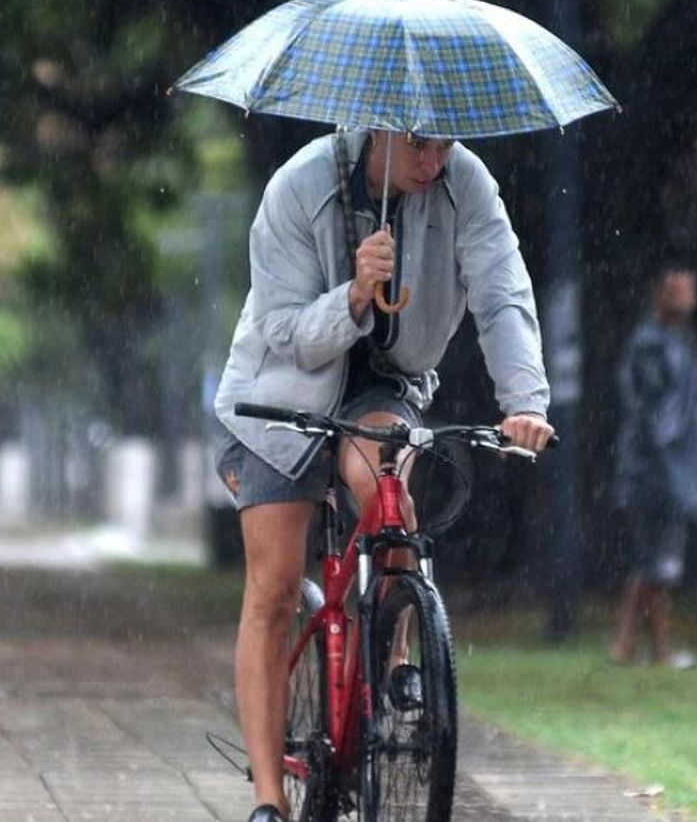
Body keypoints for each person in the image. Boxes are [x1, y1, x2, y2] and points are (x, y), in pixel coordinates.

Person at [213, 128, 555, 822]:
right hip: (281, 391)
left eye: (446, 145)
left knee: (385, 485)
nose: (436, 161)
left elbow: (502, 293)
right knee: (275, 585)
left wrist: (524, 403)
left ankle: (398, 646)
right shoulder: (299, 187)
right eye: (421, 145)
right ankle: (269, 802)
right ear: (378, 129)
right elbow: (282, 331)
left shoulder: (465, 184)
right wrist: (356, 295)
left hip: (384, 388)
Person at [607, 261, 697, 669]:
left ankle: (650, 649)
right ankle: (632, 646)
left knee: (654, 565)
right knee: (654, 563)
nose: (687, 297)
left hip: (662, 473)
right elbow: (656, 418)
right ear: (659, 294)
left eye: (689, 288)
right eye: (678, 289)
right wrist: (680, 471)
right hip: (655, 475)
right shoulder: (654, 345)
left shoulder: (675, 340)